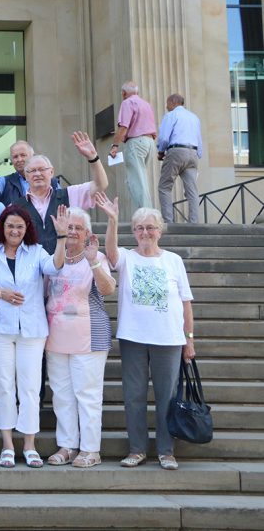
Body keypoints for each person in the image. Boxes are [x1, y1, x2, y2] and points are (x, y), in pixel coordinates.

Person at [96, 194, 195, 471]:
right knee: (134, 396)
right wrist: (113, 220)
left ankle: (166, 451)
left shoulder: (174, 261)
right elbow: (111, 253)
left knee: (167, 396)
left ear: (160, 230)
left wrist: (190, 340)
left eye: (150, 227)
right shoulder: (127, 258)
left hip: (169, 339)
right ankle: (137, 449)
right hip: (134, 339)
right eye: (139, 228)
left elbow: (186, 303)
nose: (145, 232)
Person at [0, 204, 59, 469]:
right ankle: (8, 444)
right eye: (10, 225)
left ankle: (30, 444)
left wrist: (62, 238)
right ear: (2, 226)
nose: (14, 231)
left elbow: (54, 267)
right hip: (0, 328)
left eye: (19, 227)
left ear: (27, 230)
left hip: (32, 329)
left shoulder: (36, 252)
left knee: (30, 387)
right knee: (2, 385)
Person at [44, 206, 115, 469]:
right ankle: (67, 446)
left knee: (87, 394)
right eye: (68, 227)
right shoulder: (54, 258)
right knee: (61, 394)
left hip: (89, 336)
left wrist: (94, 261)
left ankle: (90, 449)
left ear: (87, 233)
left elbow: (108, 289)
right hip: (56, 337)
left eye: (77, 228)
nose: (72, 232)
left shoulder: (95, 257)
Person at [11, 132, 108, 253]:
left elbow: (101, 185)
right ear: (26, 176)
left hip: (66, 267)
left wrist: (93, 157)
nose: (37, 174)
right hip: (32, 269)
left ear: (51, 172)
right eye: (32, 171)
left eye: (42, 169)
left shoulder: (69, 195)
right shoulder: (15, 207)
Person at [109, 81, 158, 212]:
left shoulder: (127, 103)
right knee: (140, 179)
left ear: (124, 93)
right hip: (149, 142)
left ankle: (146, 215)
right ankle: (146, 212)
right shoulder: (146, 104)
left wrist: (115, 145)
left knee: (136, 181)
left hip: (136, 142)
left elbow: (124, 126)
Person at [156, 93, 202, 223]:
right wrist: (198, 154)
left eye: (167, 103)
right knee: (192, 190)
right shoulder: (194, 118)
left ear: (173, 102)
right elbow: (199, 139)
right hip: (193, 153)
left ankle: (168, 221)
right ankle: (194, 222)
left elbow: (164, 137)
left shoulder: (171, 115)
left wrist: (160, 151)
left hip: (176, 151)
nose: (166, 106)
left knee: (165, 186)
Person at [0, 141, 61, 206]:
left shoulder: (53, 183)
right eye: (15, 157)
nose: (19, 160)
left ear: (33, 156)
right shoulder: (5, 182)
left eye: (23, 155)